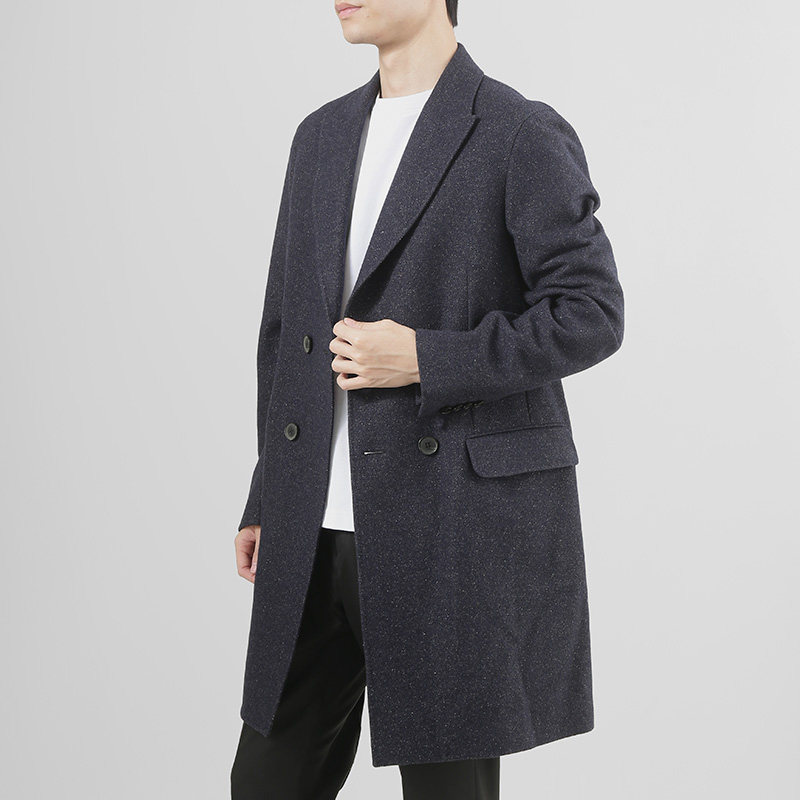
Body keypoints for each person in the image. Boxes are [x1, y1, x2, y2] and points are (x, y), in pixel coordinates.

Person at [231, 1, 625, 798]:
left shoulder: (516, 131)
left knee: (447, 789)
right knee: (265, 783)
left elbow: (591, 312)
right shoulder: (320, 137)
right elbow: (284, 332)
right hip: (313, 528)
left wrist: (425, 358)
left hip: (450, 526)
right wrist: (269, 492)